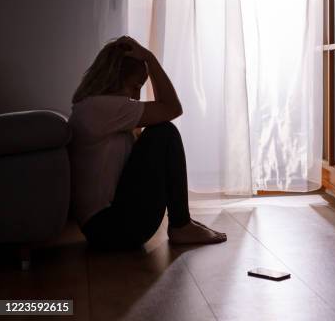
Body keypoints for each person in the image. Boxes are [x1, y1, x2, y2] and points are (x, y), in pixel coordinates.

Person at [68, 36, 226, 250]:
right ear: (114, 78)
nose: (136, 95)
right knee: (164, 132)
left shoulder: (91, 108)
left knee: (159, 130)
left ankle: (183, 222)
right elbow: (172, 108)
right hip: (110, 227)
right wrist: (150, 59)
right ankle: (181, 224)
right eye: (135, 86)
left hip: (102, 228)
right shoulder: (101, 108)